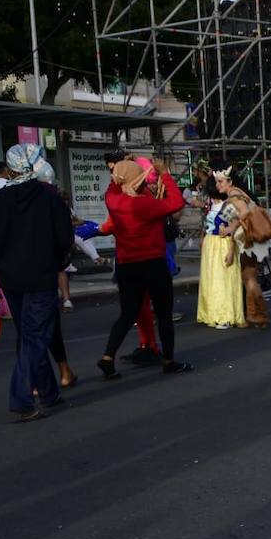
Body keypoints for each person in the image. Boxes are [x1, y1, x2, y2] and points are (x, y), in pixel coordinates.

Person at [0, 144, 73, 421]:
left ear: (10, 168)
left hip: (11, 279)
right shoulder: (49, 199)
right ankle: (21, 399)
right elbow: (64, 238)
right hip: (41, 276)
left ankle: (49, 392)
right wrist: (58, 261)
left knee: (29, 335)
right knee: (35, 337)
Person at [96, 156, 192, 378]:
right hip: (152, 263)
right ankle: (168, 361)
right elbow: (175, 203)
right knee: (163, 314)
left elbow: (115, 183)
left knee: (128, 314)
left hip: (127, 264)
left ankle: (107, 357)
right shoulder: (142, 204)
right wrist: (165, 174)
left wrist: (123, 167)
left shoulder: (113, 198)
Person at [213, 168, 270, 328]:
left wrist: (231, 229)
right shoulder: (237, 193)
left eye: (221, 181)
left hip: (248, 239)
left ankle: (258, 315)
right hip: (250, 238)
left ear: (230, 182)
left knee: (249, 278)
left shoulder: (234, 195)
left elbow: (244, 213)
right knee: (250, 277)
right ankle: (256, 314)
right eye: (217, 182)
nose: (218, 185)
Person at [196, 176, 246, 329]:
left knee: (223, 281)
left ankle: (224, 315)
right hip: (211, 245)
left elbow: (232, 230)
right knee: (211, 280)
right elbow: (206, 227)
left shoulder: (228, 206)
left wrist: (231, 250)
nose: (217, 186)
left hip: (223, 245)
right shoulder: (212, 206)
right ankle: (211, 313)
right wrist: (203, 239)